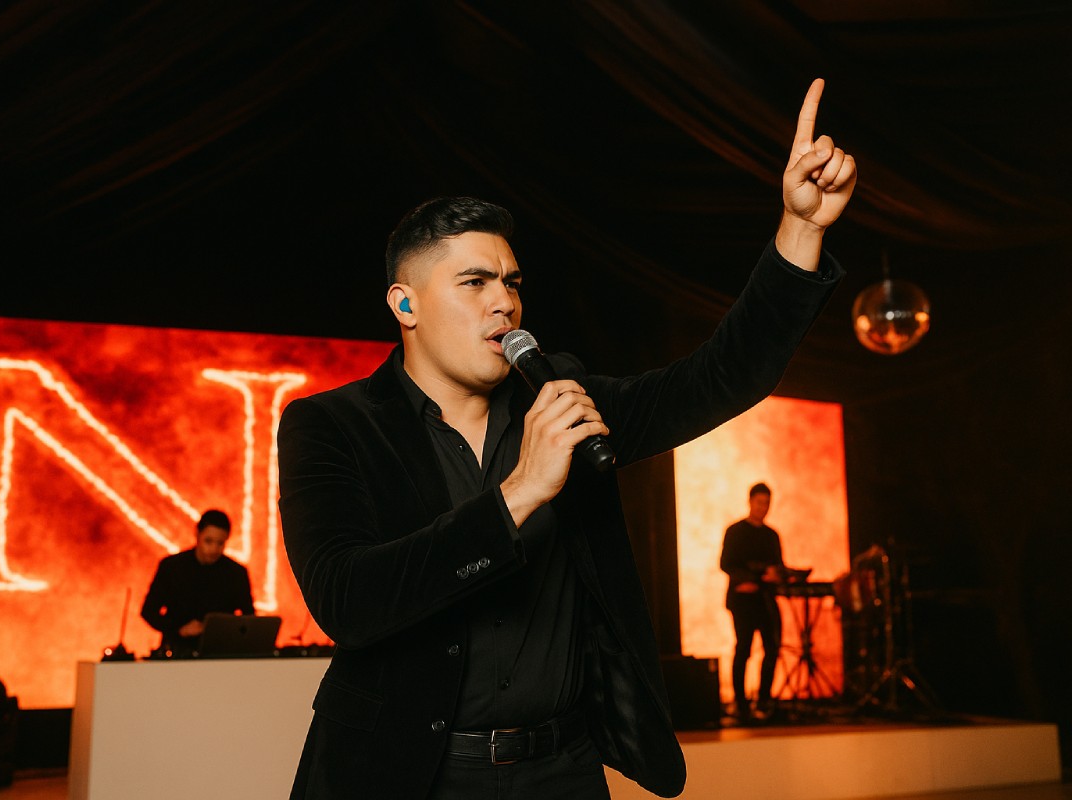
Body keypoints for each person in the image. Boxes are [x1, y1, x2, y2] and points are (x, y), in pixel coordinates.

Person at [277, 78, 855, 799]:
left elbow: (719, 378)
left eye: (512, 282)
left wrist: (800, 231)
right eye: (475, 282)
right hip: (408, 776)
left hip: (561, 770)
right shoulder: (330, 425)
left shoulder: (560, 396)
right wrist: (519, 493)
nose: (505, 302)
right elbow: (348, 600)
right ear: (405, 303)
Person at [140, 509, 255, 657]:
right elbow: (148, 611)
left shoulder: (236, 573)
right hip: (177, 652)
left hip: (221, 654)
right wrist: (179, 629)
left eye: (220, 543)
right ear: (197, 534)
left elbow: (249, 619)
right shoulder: (171, 567)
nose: (214, 549)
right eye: (208, 541)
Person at [720, 482, 785, 724]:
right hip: (742, 601)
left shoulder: (771, 535)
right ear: (750, 502)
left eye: (767, 503)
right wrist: (752, 578)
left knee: (772, 647)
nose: (763, 508)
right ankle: (741, 703)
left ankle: (764, 700)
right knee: (743, 648)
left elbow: (777, 566)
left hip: (765, 599)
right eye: (759, 503)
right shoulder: (735, 532)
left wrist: (776, 576)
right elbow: (726, 564)